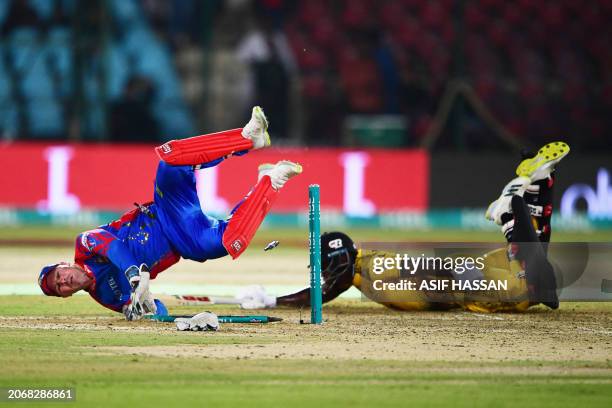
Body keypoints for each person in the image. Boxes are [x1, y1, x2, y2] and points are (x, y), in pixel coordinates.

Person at [239, 142, 570, 313]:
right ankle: (539, 186)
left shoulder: (366, 269)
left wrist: (273, 302)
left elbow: (324, 292)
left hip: (481, 285)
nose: (323, 275)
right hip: (476, 275)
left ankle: (512, 203)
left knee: (529, 276)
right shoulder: (364, 267)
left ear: (337, 259)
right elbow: (330, 289)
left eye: (324, 265)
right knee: (532, 267)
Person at [38, 106, 302, 320]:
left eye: (59, 275)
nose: (65, 281)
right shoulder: (107, 298)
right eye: (60, 287)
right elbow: (161, 312)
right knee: (229, 242)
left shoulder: (84, 245)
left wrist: (133, 274)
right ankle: (271, 180)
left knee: (170, 157)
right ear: (66, 296)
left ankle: (246, 138)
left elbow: (115, 249)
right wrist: (147, 308)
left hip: (164, 209)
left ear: (64, 264)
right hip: (184, 241)